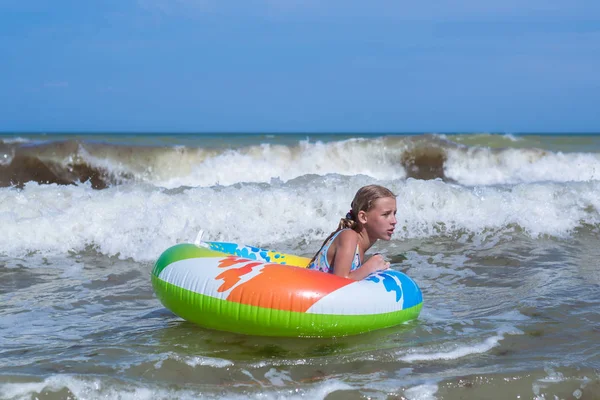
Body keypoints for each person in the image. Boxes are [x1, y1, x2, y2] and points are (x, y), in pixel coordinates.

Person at [307, 184, 397, 280]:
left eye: (394, 213)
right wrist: (369, 267)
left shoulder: (359, 245)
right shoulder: (349, 236)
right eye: (386, 214)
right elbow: (340, 283)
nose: (394, 221)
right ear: (363, 217)